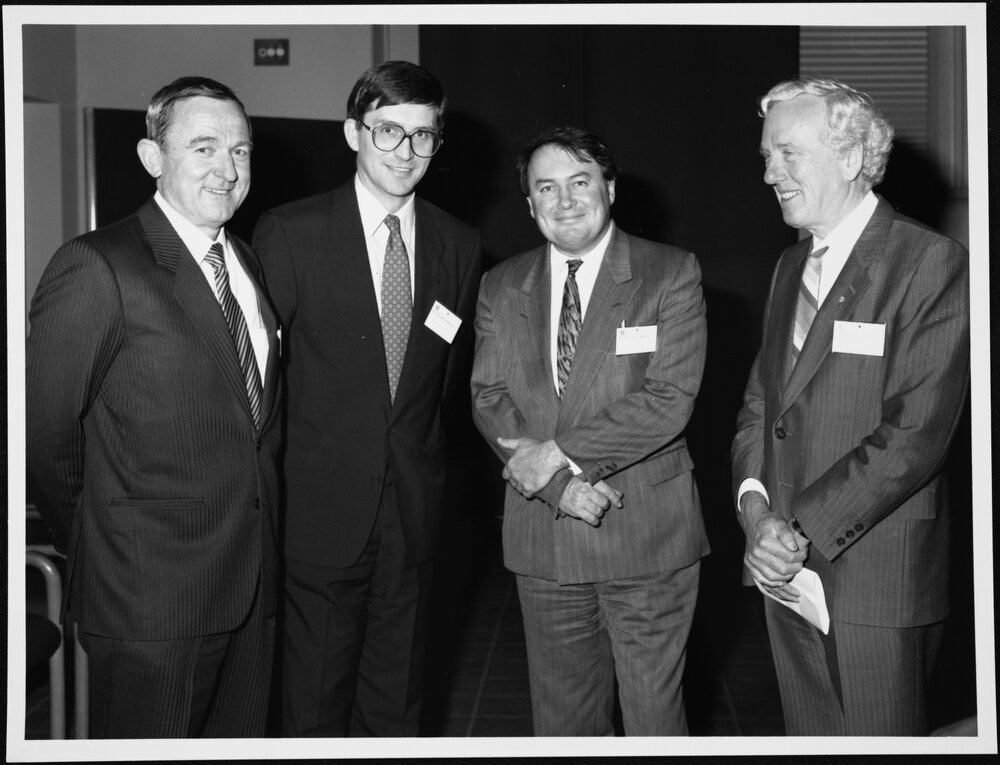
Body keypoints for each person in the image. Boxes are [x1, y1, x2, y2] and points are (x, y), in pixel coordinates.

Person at [26, 76, 281, 738]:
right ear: (151, 157)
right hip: (151, 603)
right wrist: (98, 547)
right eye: (204, 147)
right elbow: (43, 435)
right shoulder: (97, 266)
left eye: (241, 150)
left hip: (251, 591)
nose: (228, 169)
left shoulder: (244, 262)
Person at [731, 77, 970, 735]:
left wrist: (795, 530)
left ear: (851, 156)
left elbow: (916, 434)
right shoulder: (789, 266)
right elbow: (760, 407)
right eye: (766, 156)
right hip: (783, 570)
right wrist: (756, 515)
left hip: (874, 581)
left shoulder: (929, 261)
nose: (769, 173)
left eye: (787, 153)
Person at [251, 60, 482, 737]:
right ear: (354, 133)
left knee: (397, 705)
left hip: (413, 516)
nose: (406, 151)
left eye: (423, 135)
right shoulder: (290, 232)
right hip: (319, 516)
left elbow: (442, 384)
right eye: (388, 131)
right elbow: (261, 386)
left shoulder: (460, 243)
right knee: (313, 706)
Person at [471, 126, 709, 736]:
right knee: (565, 726)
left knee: (654, 723)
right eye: (546, 187)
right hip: (545, 536)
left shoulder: (670, 272)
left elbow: (668, 401)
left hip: (646, 537)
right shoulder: (502, 284)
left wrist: (557, 455)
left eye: (580, 182)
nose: (565, 200)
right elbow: (489, 398)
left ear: (610, 188)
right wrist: (559, 486)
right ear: (529, 203)